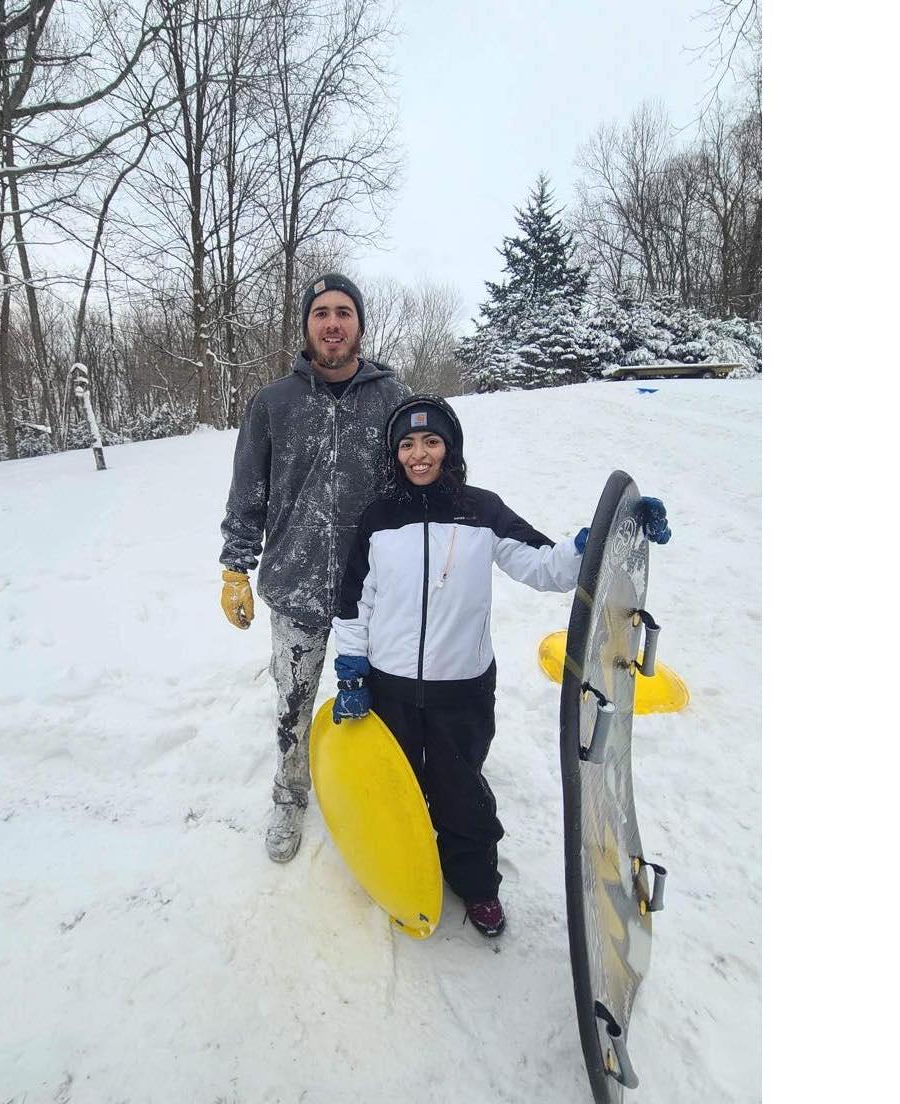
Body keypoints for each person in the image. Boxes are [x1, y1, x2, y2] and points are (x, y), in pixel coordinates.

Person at [330, 396, 671, 937]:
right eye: (407, 444)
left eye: (432, 442)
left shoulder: (482, 510)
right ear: (394, 454)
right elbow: (354, 601)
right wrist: (351, 671)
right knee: (395, 784)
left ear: (450, 448)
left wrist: (601, 539)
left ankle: (476, 884)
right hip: (388, 683)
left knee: (460, 790)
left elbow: (543, 564)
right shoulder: (378, 518)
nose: (419, 455)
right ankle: (401, 863)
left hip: (461, 688)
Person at [219, 273, 410, 863]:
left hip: (374, 590)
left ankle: (378, 795)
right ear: (306, 325)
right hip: (295, 586)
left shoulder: (393, 399)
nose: (333, 323)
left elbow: (423, 479)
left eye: (344, 312)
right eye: (321, 312)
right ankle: (289, 793)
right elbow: (248, 490)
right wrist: (235, 566)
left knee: (382, 703)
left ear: (359, 324)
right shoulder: (273, 403)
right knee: (294, 701)